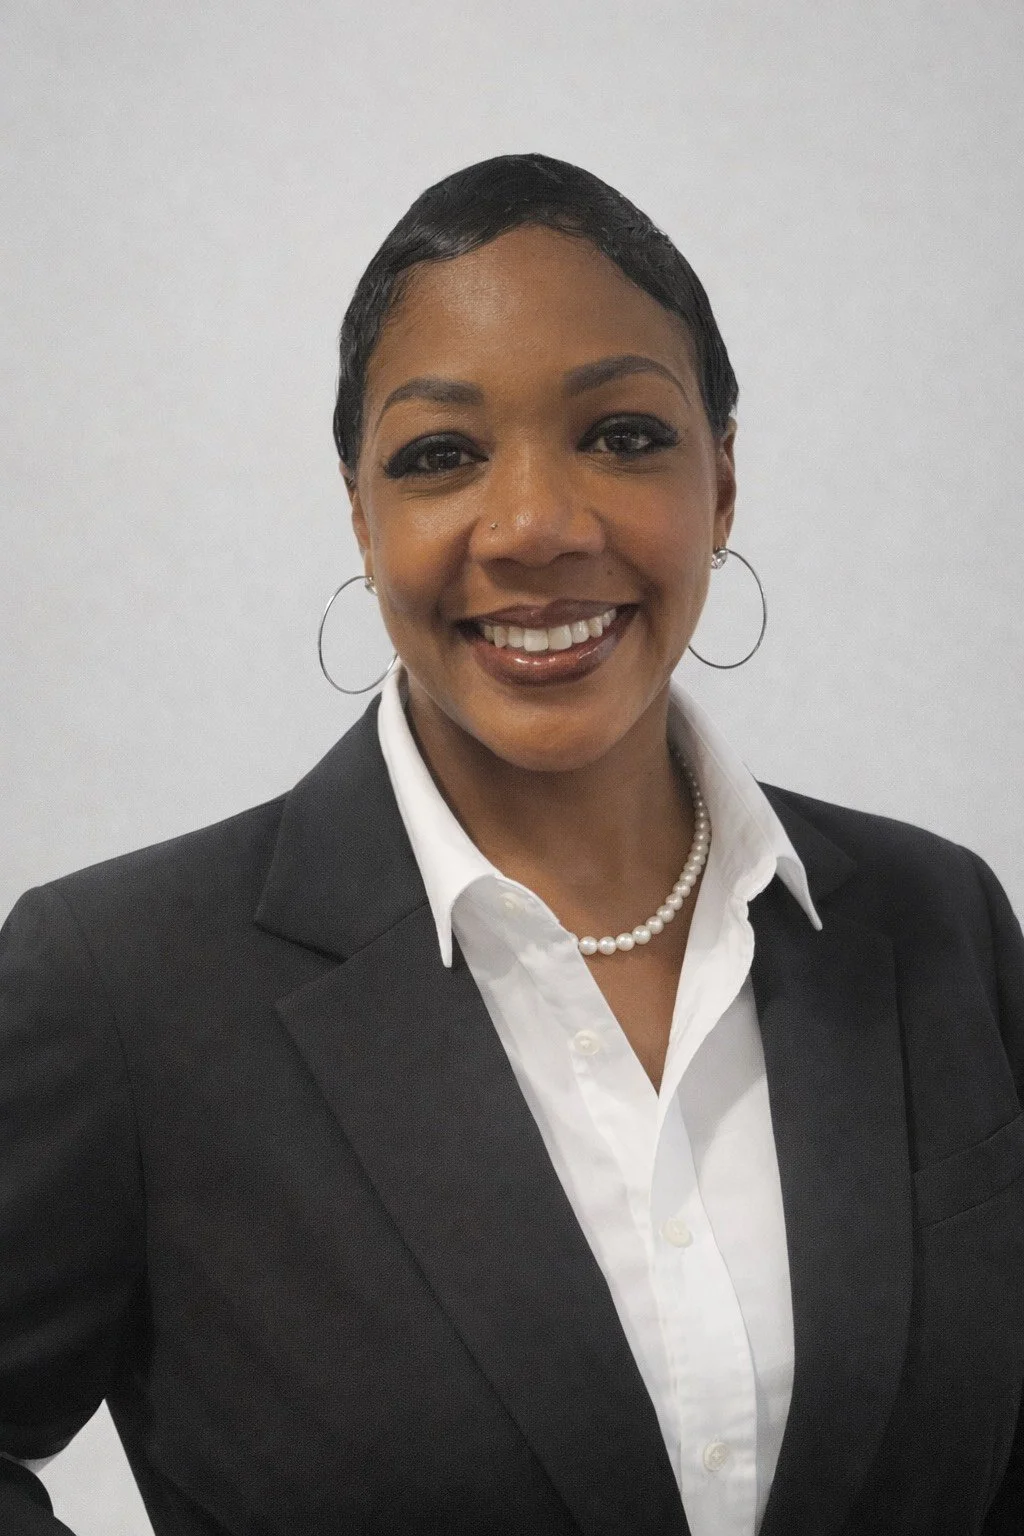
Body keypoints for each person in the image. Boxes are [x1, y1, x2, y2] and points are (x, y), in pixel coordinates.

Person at [1, 152, 1022, 1536]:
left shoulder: (940, 921)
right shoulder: (123, 990)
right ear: (361, 514)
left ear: (723, 480)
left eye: (624, 435)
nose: (537, 526)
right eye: (442, 455)